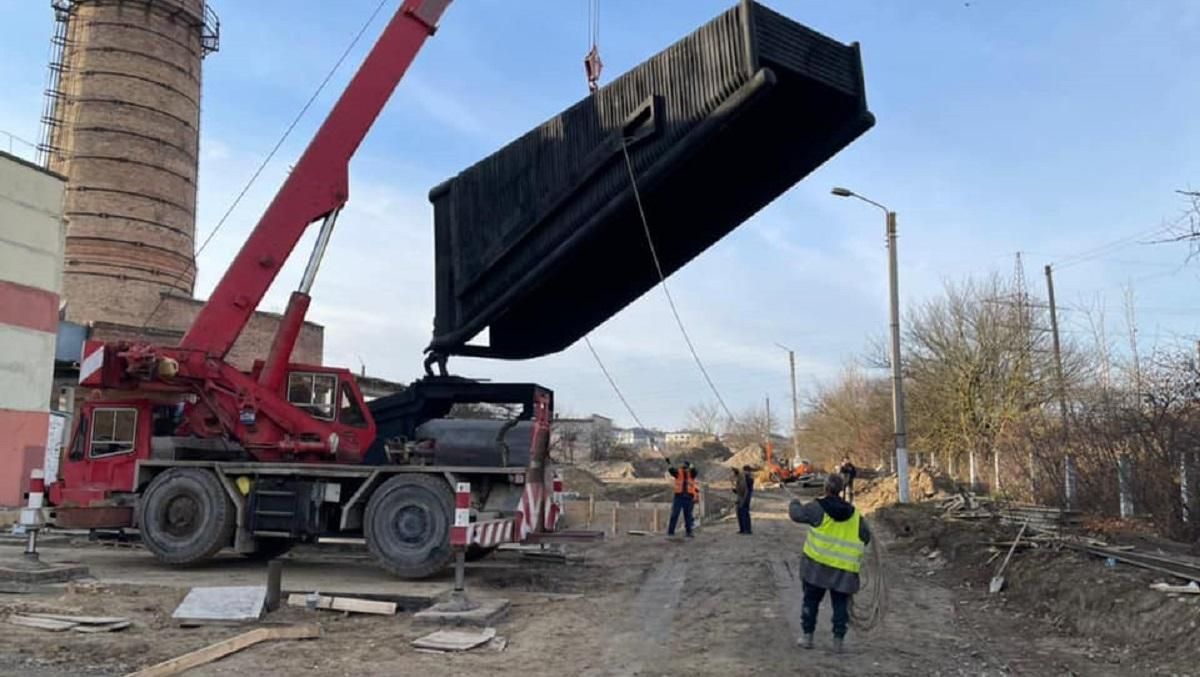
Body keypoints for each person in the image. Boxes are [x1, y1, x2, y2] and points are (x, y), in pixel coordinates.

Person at [789, 473, 871, 653]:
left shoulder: (817, 508)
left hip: (816, 569)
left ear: (825, 488)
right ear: (841, 490)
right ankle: (838, 642)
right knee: (840, 605)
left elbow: (796, 515)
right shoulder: (855, 515)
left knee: (810, 601)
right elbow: (866, 536)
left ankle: (807, 638)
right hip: (843, 572)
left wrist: (794, 502)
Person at [666, 459, 697, 538]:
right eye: (684, 467)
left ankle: (689, 532)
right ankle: (671, 532)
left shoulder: (692, 474)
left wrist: (691, 466)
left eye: (686, 467)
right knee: (675, 514)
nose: (685, 469)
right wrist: (669, 463)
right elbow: (671, 470)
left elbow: (695, 471)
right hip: (679, 497)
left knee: (688, 516)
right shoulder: (678, 473)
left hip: (688, 497)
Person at [734, 465, 754, 534]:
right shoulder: (743, 477)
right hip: (741, 497)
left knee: (744, 512)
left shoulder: (748, 478)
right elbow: (740, 487)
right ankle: (742, 529)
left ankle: (747, 530)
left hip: (746, 497)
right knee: (740, 513)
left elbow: (745, 488)